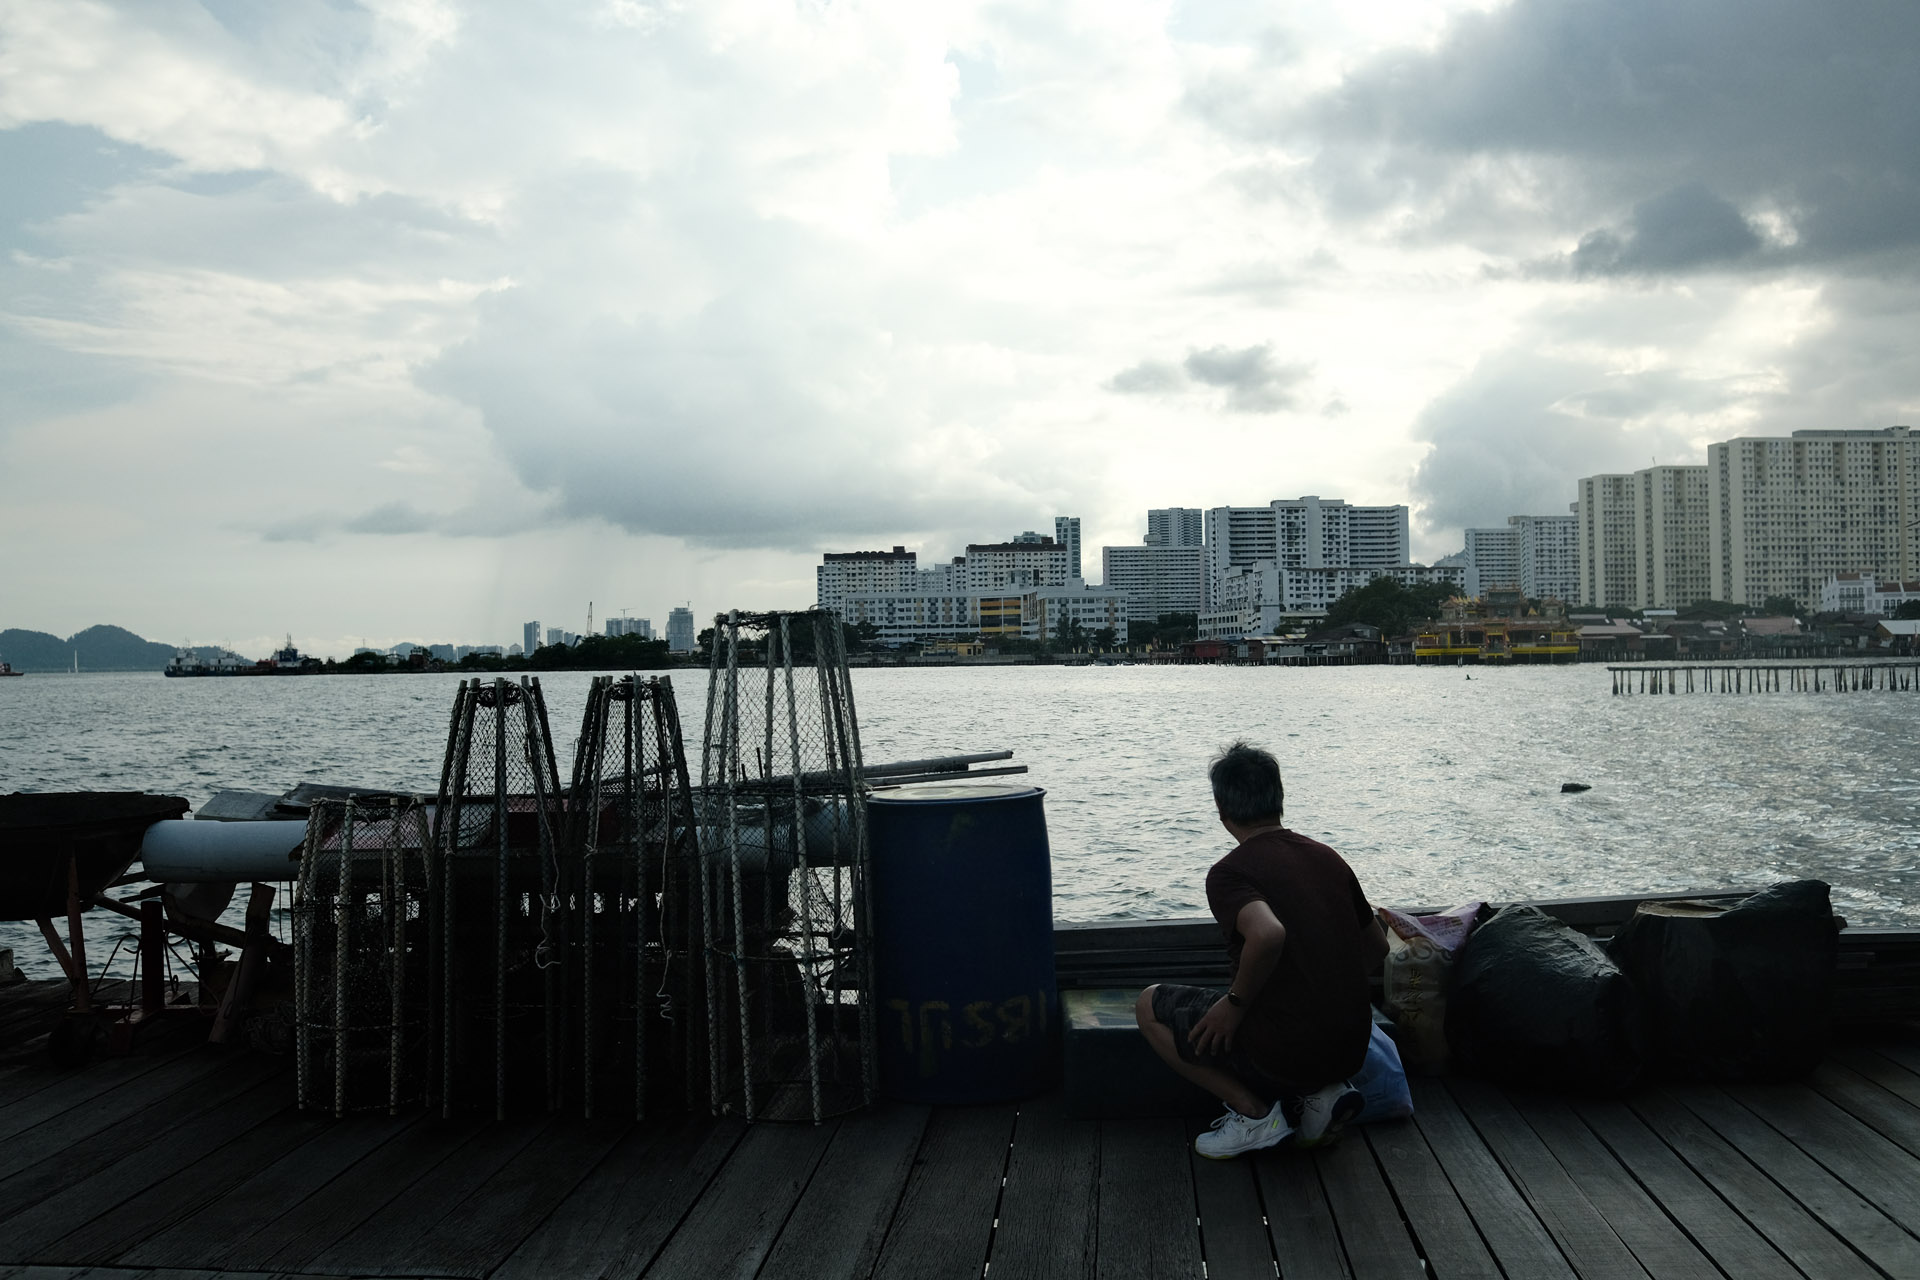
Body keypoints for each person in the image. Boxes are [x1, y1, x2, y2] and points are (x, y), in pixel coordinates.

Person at [1134, 740, 1389, 1159]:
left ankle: (1253, 1115)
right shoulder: (1328, 858)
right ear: (1279, 798)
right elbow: (1377, 947)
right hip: (1350, 1049)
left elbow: (1268, 935)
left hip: (1282, 1052)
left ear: (1222, 810)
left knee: (1148, 1005)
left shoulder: (1229, 873)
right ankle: (1319, 1094)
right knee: (1283, 1015)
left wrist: (1234, 1005)